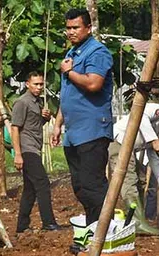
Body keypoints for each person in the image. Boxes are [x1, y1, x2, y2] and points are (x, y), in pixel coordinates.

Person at [51, 8, 114, 225]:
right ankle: (93, 227)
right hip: (73, 132)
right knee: (79, 186)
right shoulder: (72, 54)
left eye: (76, 27)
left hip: (92, 130)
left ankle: (103, 231)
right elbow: (68, 95)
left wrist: (69, 72)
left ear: (88, 27)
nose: (71, 32)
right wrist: (58, 124)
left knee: (92, 184)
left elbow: (94, 83)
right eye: (68, 28)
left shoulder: (98, 52)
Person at [11, 72, 60, 233]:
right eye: (36, 84)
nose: (39, 87)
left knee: (30, 189)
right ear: (27, 84)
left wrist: (44, 118)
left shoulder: (37, 103)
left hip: (35, 148)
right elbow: (15, 128)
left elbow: (34, 124)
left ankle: (21, 226)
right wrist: (18, 154)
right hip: (27, 149)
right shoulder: (22, 102)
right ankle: (49, 222)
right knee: (43, 184)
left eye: (41, 84)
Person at [108, 102, 159, 235]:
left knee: (141, 181)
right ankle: (136, 221)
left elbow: (155, 159)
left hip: (133, 148)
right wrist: (154, 141)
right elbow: (140, 115)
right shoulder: (158, 110)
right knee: (129, 181)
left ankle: (138, 220)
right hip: (119, 142)